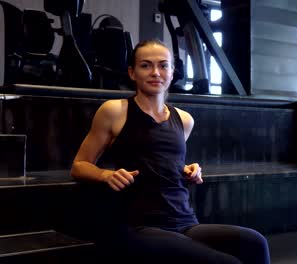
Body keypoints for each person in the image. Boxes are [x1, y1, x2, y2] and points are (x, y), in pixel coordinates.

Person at [71, 39, 270, 263]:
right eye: (146, 65)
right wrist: (105, 175)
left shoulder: (184, 120)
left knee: (255, 242)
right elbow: (79, 166)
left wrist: (188, 169)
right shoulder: (115, 111)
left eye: (163, 65)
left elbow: (161, 161)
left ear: (172, 72)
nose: (156, 72)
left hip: (184, 221)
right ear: (132, 72)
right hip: (138, 224)